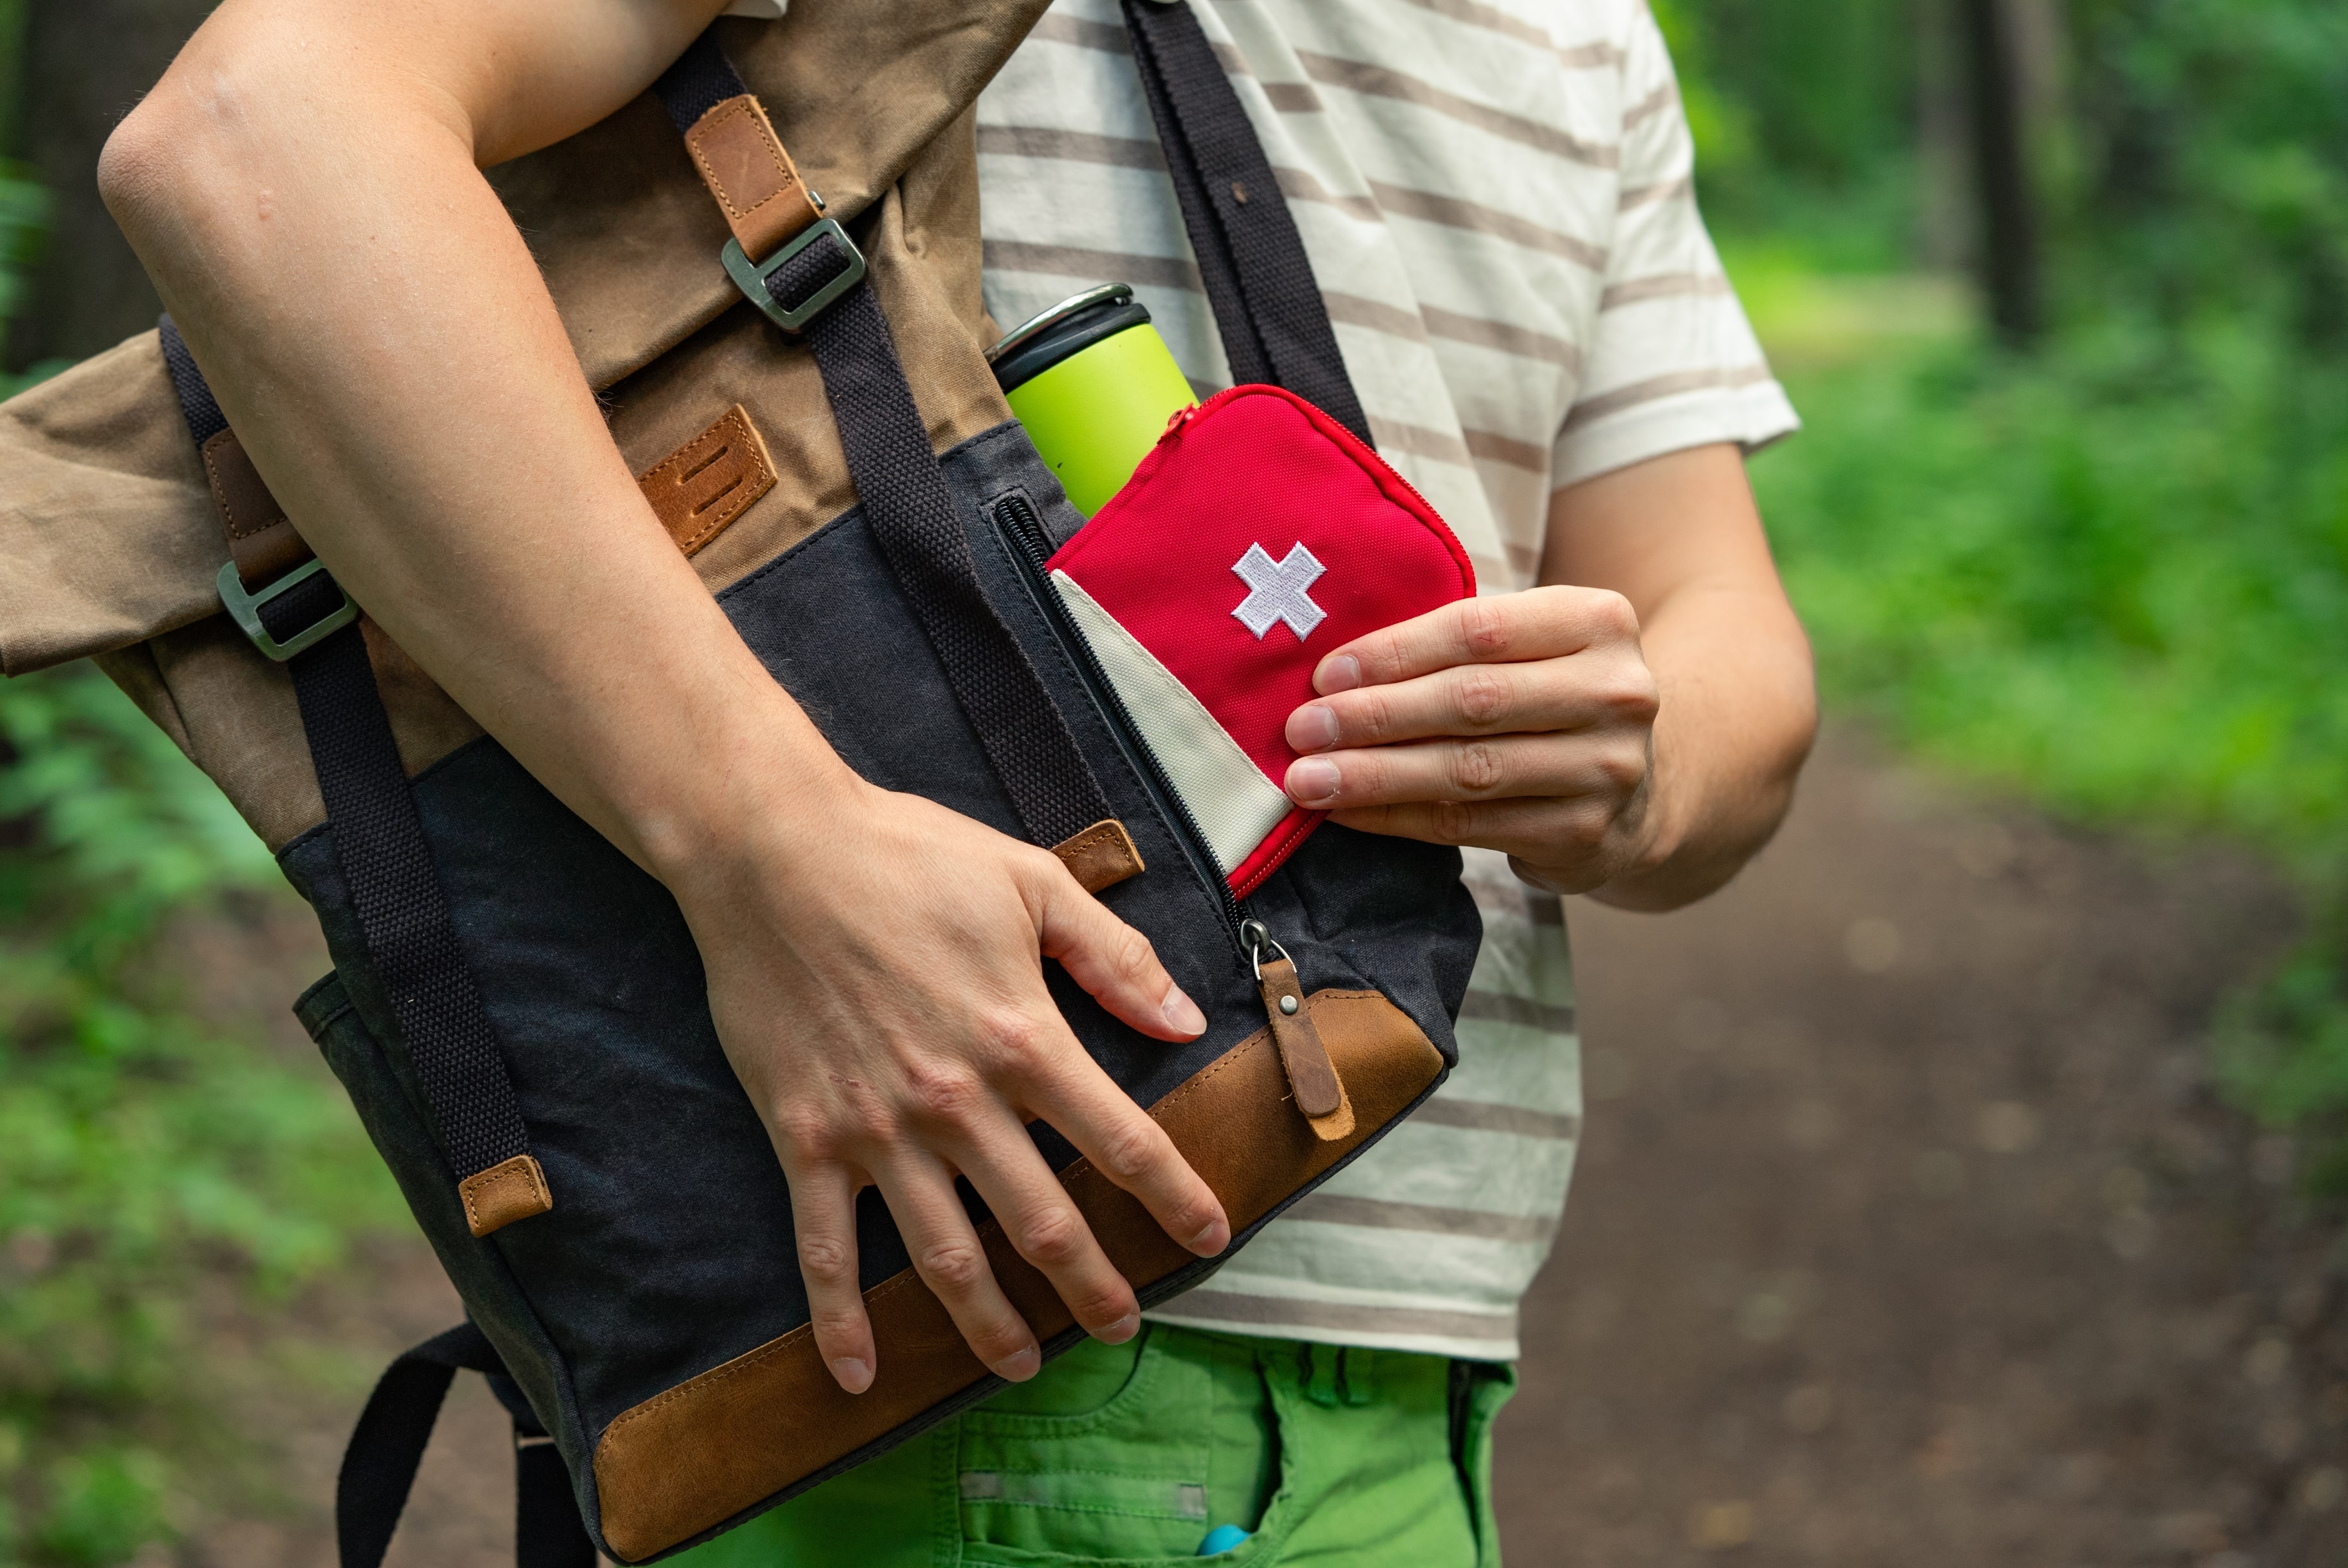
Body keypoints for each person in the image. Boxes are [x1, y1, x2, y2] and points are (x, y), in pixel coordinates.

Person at [100, 0, 1815, 1559]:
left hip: (1416, 1375)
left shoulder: (1582, 38)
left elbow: (1714, 611)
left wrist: (1638, 762)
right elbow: (261, 142)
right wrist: (765, 843)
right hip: (935, 1334)